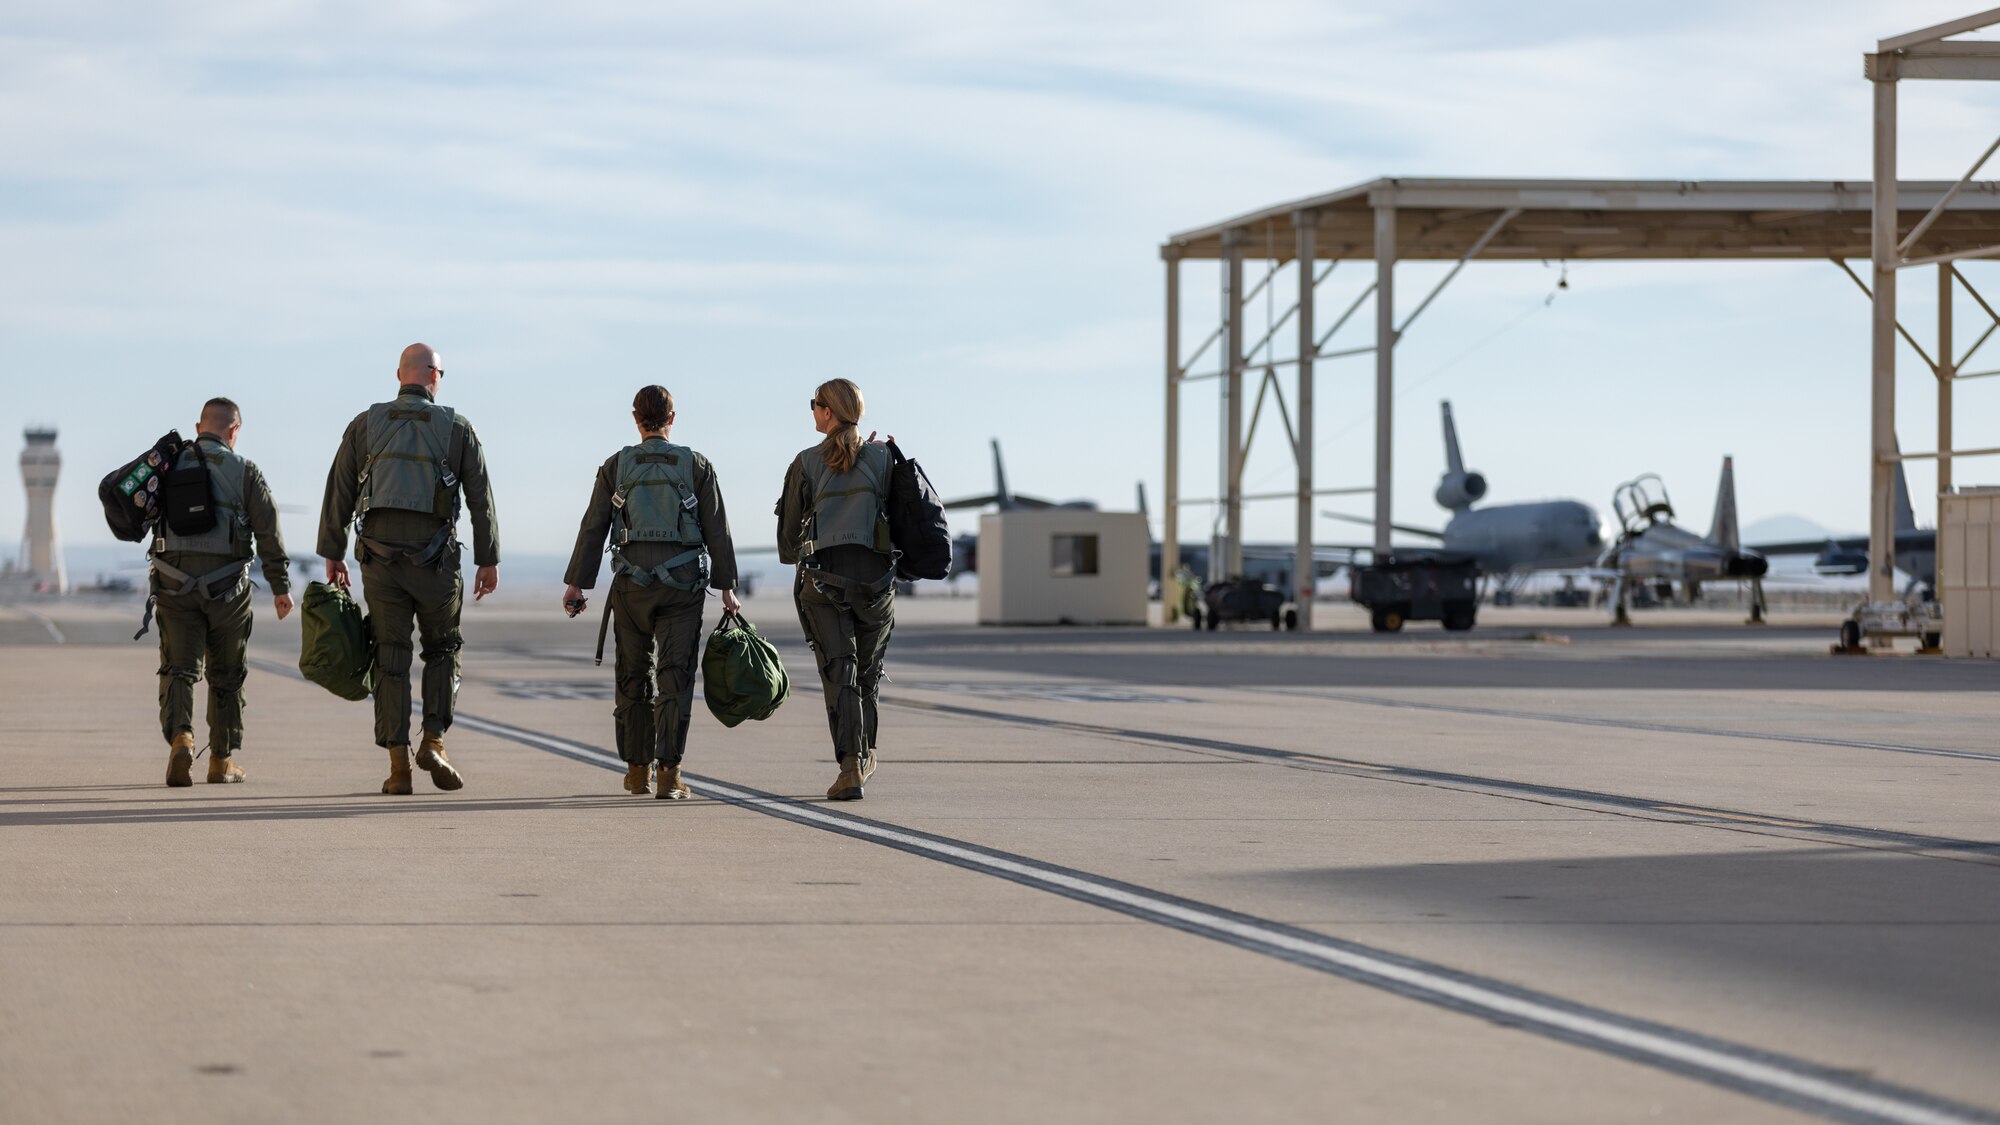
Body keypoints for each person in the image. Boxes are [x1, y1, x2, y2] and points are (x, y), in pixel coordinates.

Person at [318, 344, 500, 795]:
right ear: (435, 376)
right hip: (436, 563)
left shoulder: (365, 424)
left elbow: (338, 491)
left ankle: (399, 768)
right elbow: (480, 498)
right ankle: (433, 741)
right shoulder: (457, 428)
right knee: (443, 649)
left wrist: (333, 552)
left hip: (379, 564)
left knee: (390, 657)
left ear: (399, 375)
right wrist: (488, 559)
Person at [563, 386, 741, 799]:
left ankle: (637, 770)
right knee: (674, 677)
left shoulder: (615, 466)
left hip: (631, 588)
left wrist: (576, 583)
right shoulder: (697, 466)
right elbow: (718, 529)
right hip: (682, 591)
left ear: (635, 418)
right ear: (672, 418)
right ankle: (669, 774)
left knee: (632, 676)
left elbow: (593, 528)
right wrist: (727, 587)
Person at [151, 398, 293, 787]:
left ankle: (181, 737)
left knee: (179, 668)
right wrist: (280, 588)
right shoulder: (246, 471)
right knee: (227, 674)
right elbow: (269, 532)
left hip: (173, 585)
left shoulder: (168, 464)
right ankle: (220, 761)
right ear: (235, 431)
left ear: (199, 427)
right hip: (228, 590)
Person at [777, 378, 895, 801]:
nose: (812, 411)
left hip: (825, 582)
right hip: (878, 584)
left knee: (839, 672)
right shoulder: (884, 458)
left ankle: (850, 768)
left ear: (829, 412)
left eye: (814, 405)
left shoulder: (807, 462)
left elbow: (788, 538)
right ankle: (867, 754)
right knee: (867, 675)